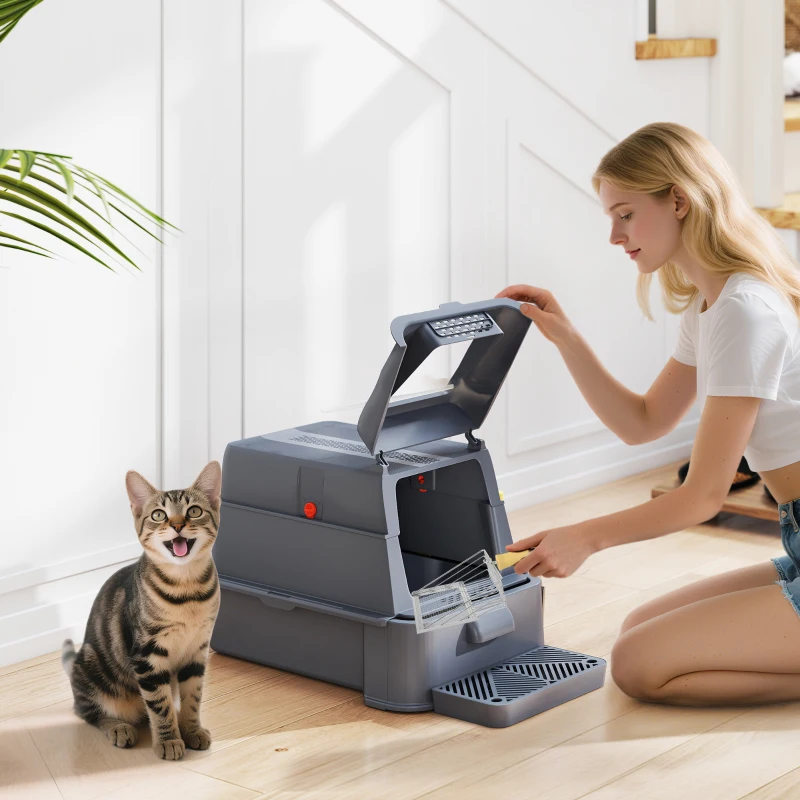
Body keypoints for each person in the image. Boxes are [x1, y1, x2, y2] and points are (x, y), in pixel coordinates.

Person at [496, 122, 800, 707]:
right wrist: (565, 337)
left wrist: (585, 537)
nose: (615, 235)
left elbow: (703, 495)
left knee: (638, 667)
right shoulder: (711, 306)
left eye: (626, 214)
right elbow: (644, 422)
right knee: (638, 627)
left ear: (679, 201)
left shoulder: (745, 310)